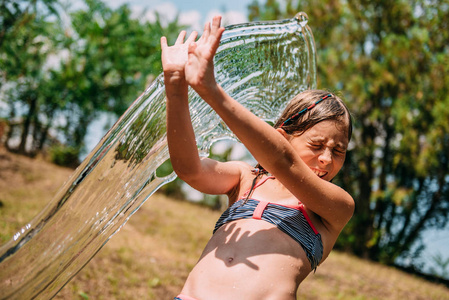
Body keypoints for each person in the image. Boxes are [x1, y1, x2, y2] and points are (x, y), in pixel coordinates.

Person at [161, 15, 354, 300]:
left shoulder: (335, 207)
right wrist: (176, 86)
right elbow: (189, 170)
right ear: (283, 136)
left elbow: (283, 162)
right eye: (317, 145)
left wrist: (210, 90)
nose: (327, 158)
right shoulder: (245, 179)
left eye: (339, 151)